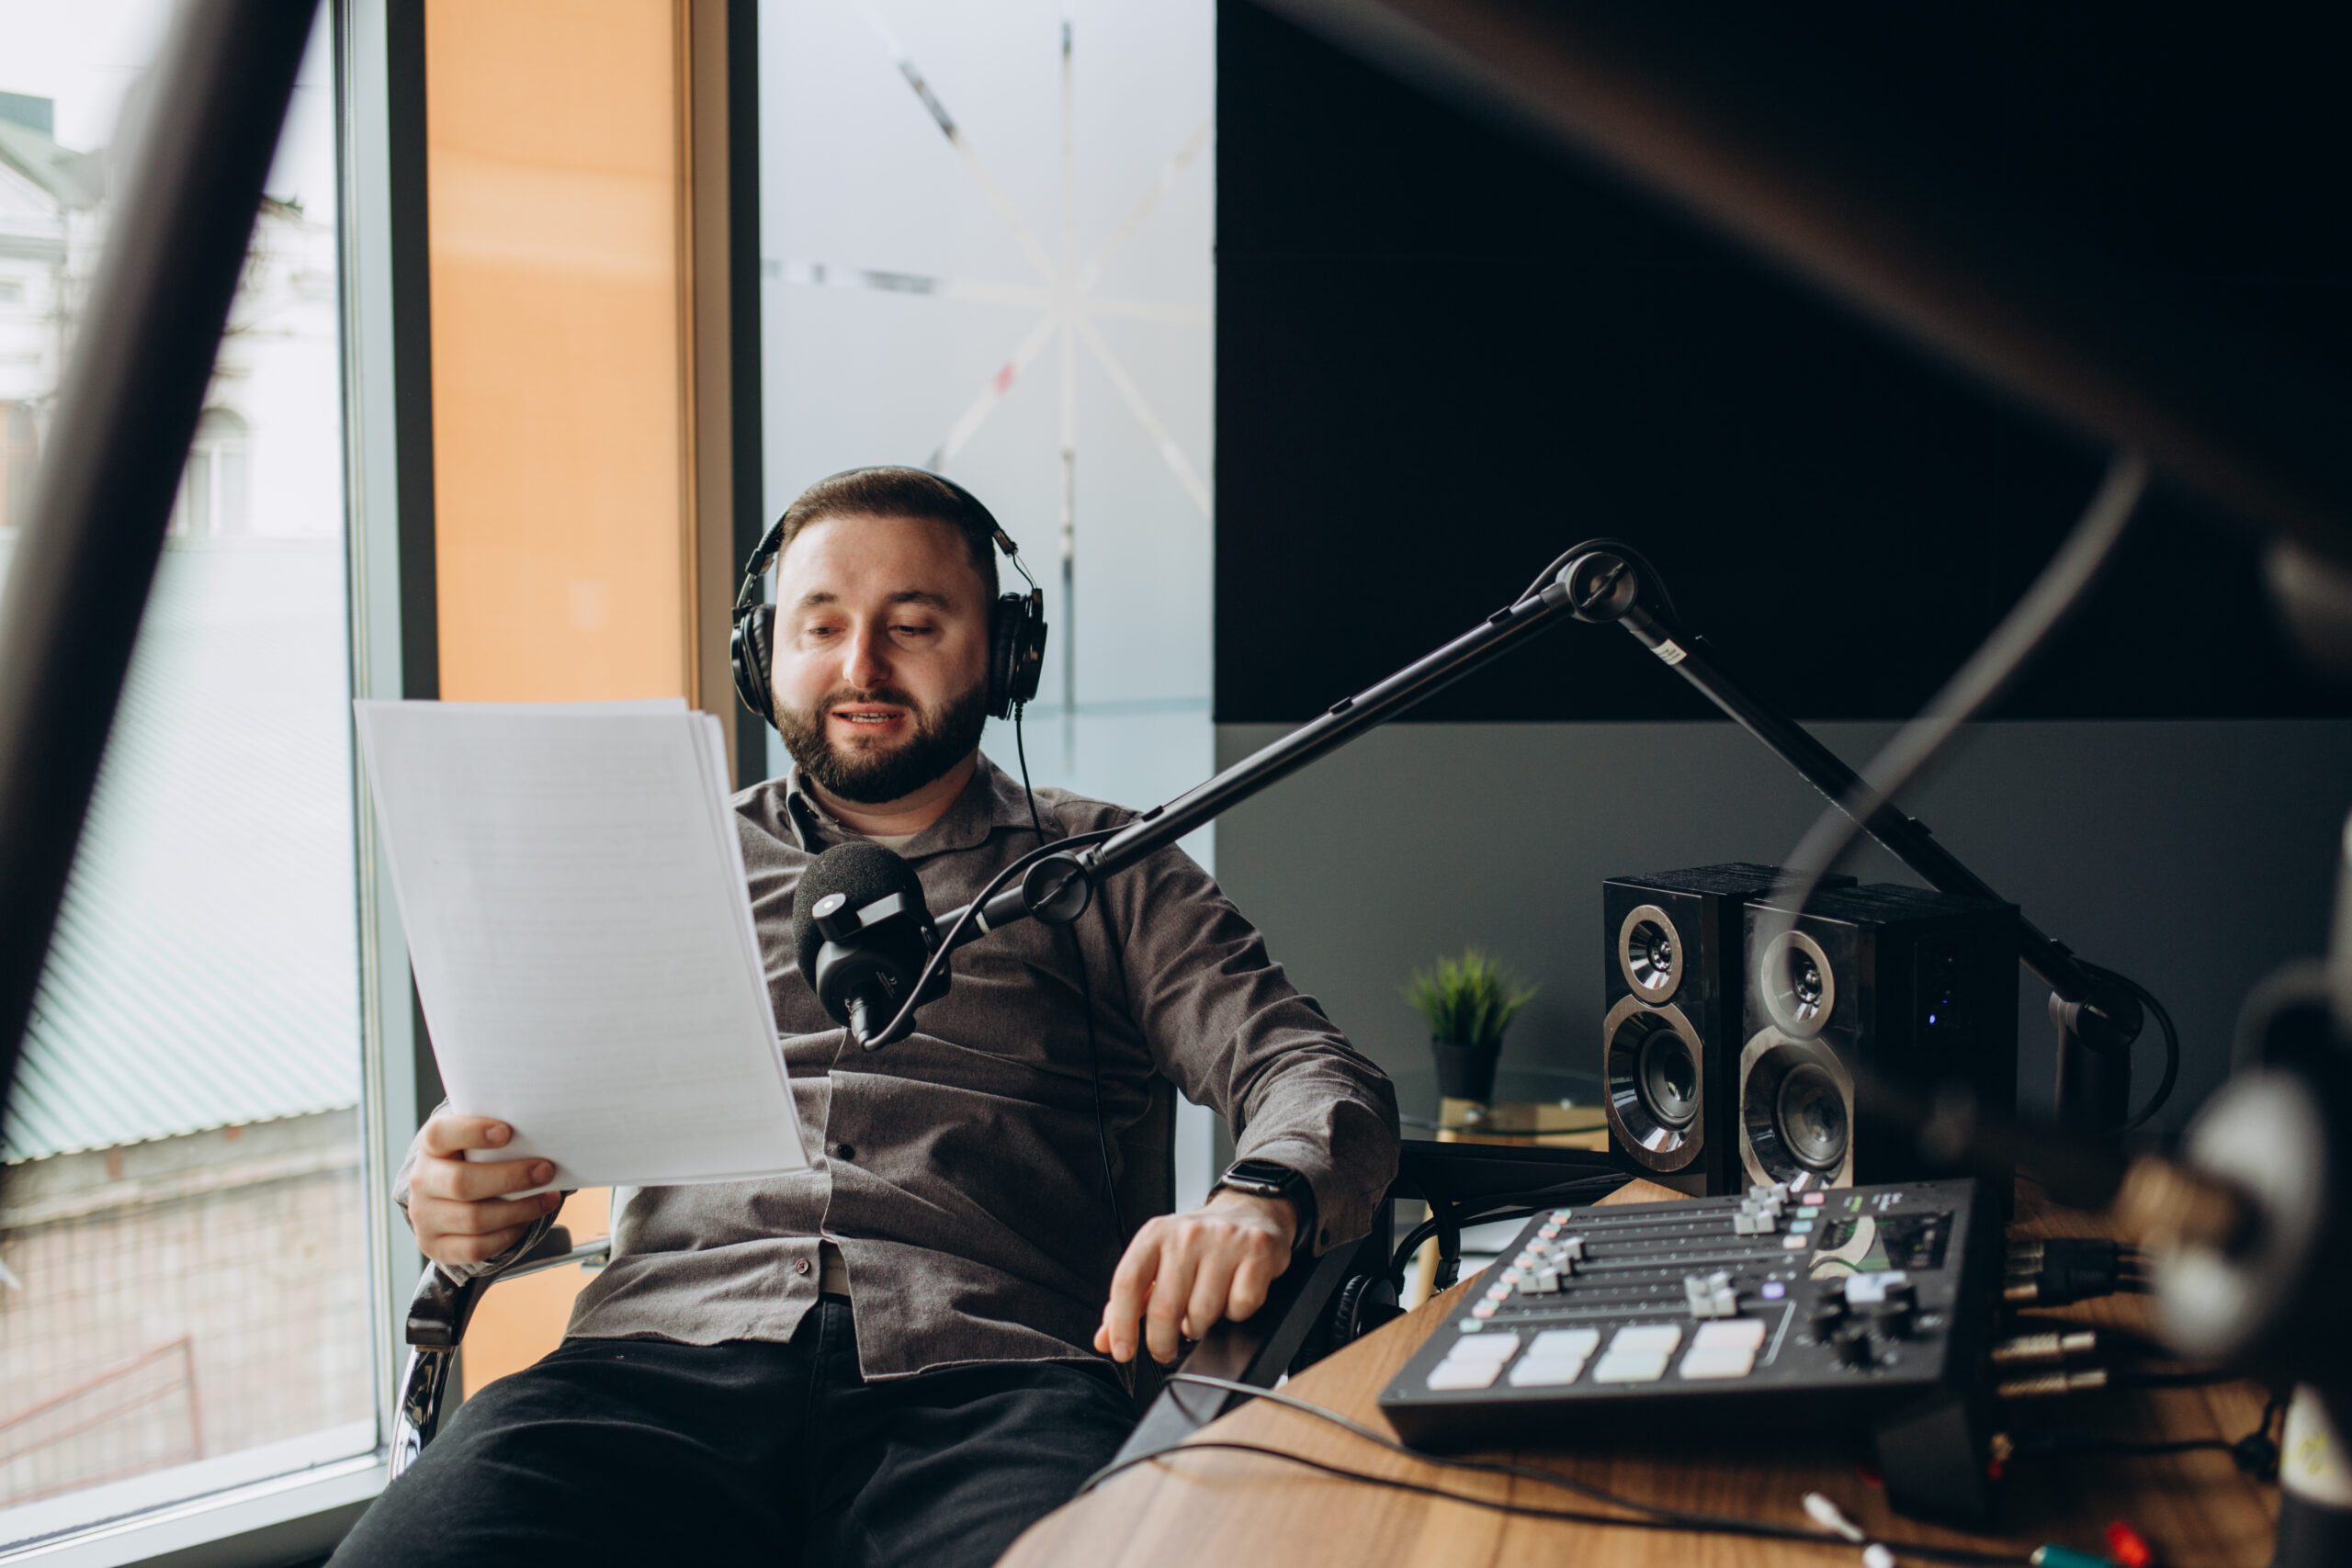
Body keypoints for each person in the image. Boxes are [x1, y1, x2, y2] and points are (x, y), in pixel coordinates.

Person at [331, 467, 1399, 1567]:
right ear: (763, 654)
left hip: (994, 1388)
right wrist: (462, 1199)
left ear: (1005, 652)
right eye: (822, 625)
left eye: (914, 625)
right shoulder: (662, 852)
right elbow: (510, 1135)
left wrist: (1261, 1195)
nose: (860, 668)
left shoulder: (1107, 870)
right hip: (646, 1374)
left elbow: (1316, 1074)